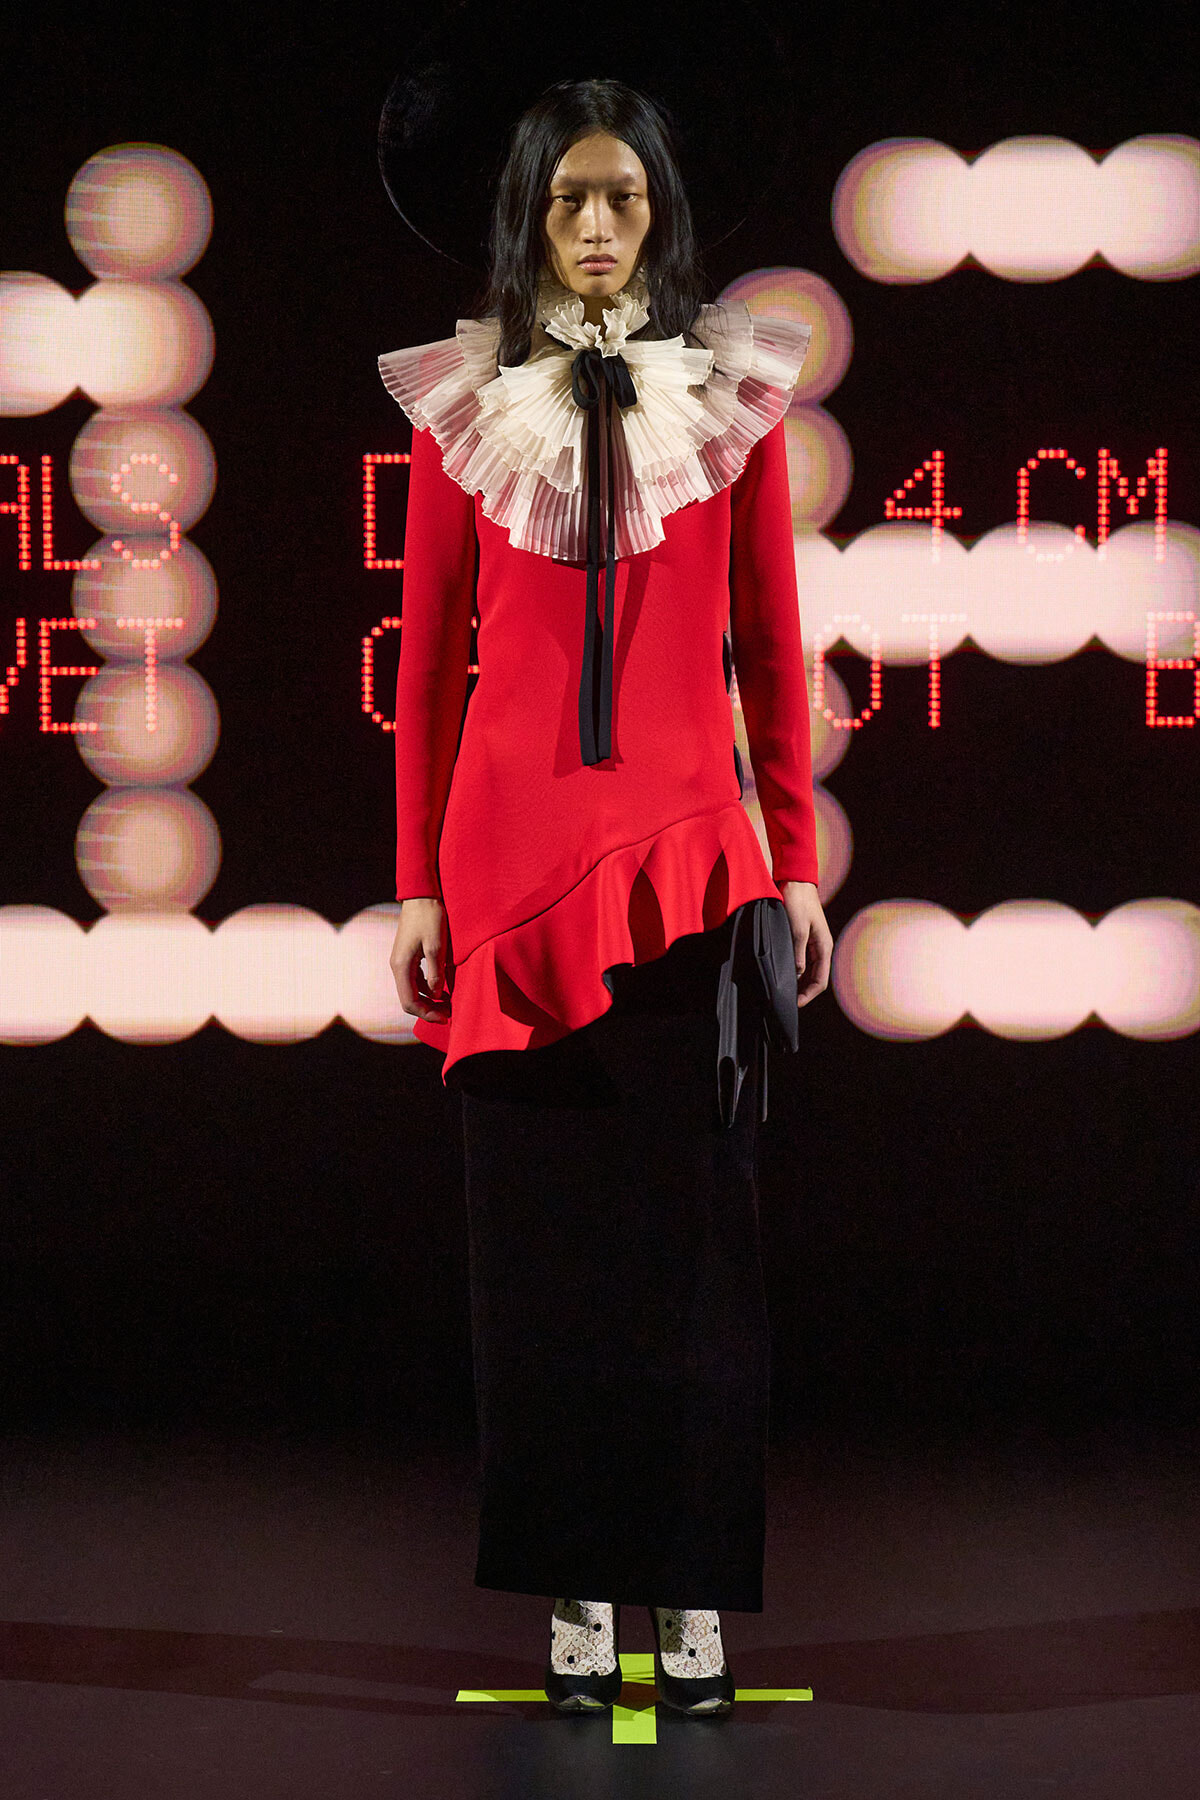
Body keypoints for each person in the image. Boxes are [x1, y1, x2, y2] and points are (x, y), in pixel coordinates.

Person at [380, 76, 832, 1717]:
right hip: (506, 876)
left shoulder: (730, 406)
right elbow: (429, 666)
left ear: (659, 213)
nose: (593, 225)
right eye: (568, 197)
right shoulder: (461, 409)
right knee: (544, 1259)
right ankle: (577, 1586)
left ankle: (688, 1589)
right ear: (530, 212)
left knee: (696, 1251)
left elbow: (770, 642)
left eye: (621, 197)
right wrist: (415, 886)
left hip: (692, 868)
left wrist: (794, 857)